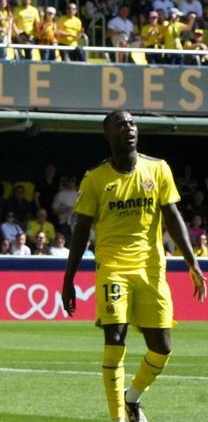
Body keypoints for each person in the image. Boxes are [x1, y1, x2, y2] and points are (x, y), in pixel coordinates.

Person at [61, 111, 206, 422]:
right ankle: (117, 418)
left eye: (131, 123)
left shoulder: (158, 169)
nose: (128, 127)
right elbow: (81, 230)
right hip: (113, 267)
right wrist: (68, 279)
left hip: (152, 268)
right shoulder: (96, 179)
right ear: (107, 135)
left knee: (162, 348)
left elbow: (173, 219)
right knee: (115, 338)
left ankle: (132, 398)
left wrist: (192, 262)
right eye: (120, 124)